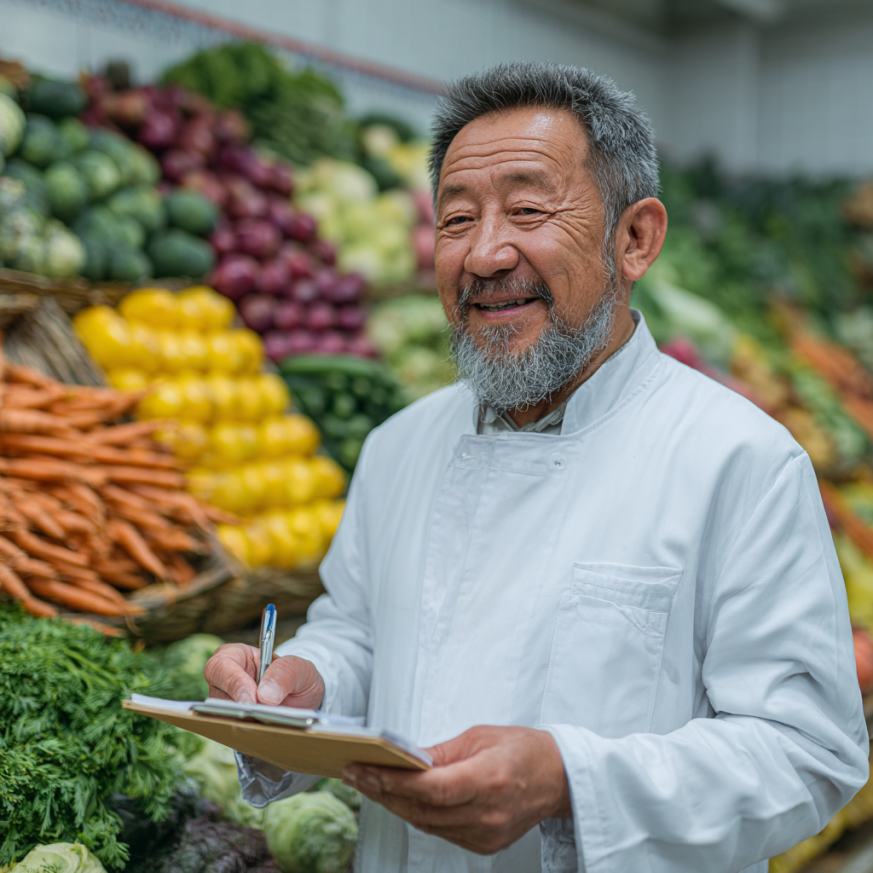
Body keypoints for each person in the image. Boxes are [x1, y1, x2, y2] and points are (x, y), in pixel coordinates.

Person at [205, 62, 869, 873]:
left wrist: (569, 780)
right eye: (457, 219)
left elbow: (808, 751)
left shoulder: (739, 460)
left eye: (527, 210)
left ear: (634, 239)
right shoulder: (399, 445)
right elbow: (361, 632)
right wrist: (306, 682)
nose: (484, 254)